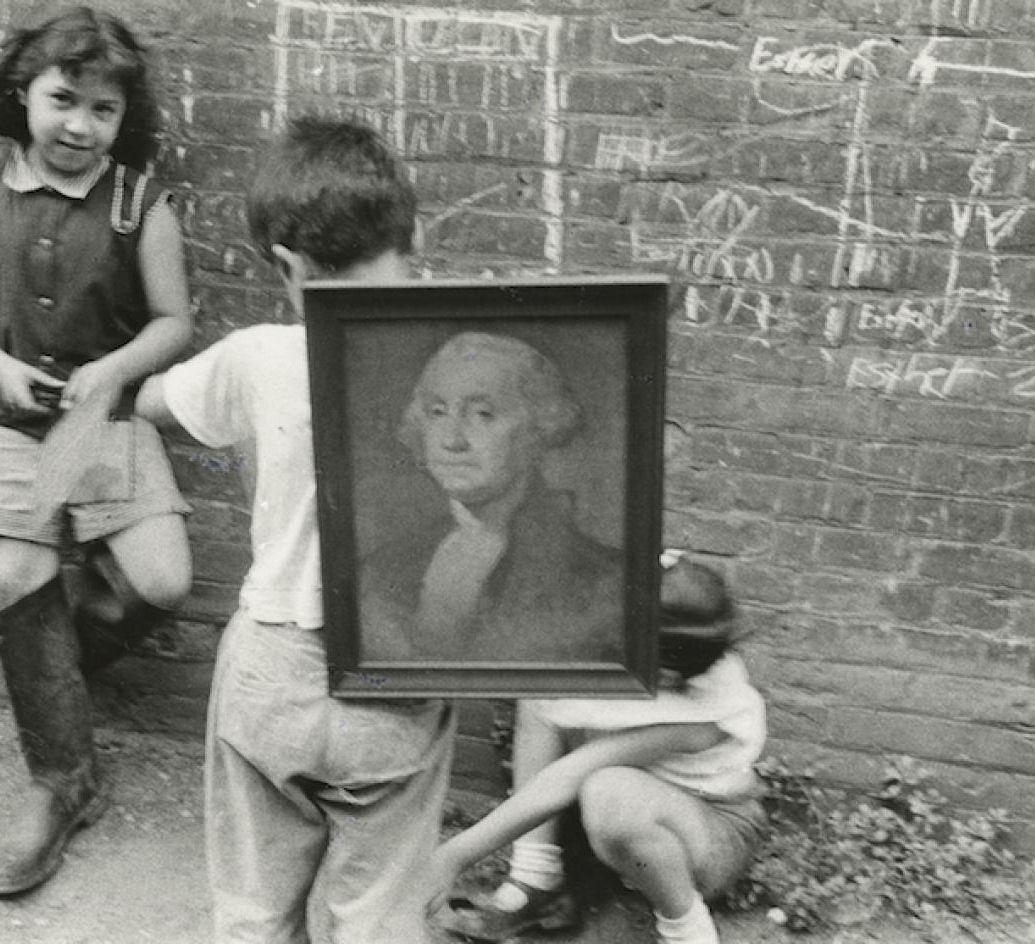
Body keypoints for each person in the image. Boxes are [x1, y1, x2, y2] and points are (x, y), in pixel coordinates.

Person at [133, 114, 455, 943]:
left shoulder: (258, 356)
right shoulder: (462, 360)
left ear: (286, 263)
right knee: (381, 911)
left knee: (252, 908)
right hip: (398, 672)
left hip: (270, 669)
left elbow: (152, 402)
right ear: (410, 234)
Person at [0, 7, 193, 896]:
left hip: (99, 423)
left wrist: (112, 372)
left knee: (161, 582)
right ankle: (62, 779)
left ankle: (51, 683)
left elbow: (173, 321)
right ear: (21, 96)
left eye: (103, 110)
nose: (79, 125)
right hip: (10, 425)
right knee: (15, 579)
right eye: (63, 100)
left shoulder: (138, 202)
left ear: (125, 122)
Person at [425, 552, 768, 944]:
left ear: (667, 671)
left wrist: (453, 856)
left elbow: (569, 776)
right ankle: (535, 880)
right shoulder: (678, 651)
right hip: (642, 815)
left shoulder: (707, 712)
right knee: (544, 696)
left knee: (607, 790)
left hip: (712, 832)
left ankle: (688, 929)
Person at [358, 332, 624, 662]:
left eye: (483, 414)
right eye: (437, 412)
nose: (452, 440)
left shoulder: (604, 582)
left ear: (539, 427)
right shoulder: (382, 569)